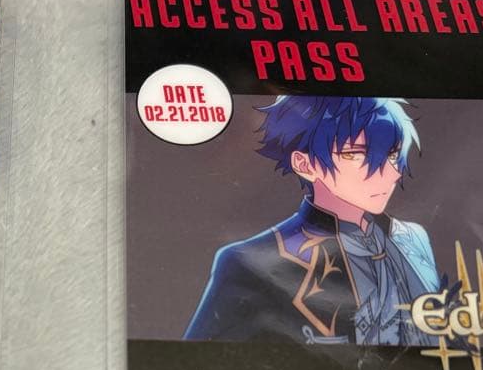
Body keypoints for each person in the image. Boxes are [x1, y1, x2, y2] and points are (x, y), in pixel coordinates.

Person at [184, 96, 439, 346]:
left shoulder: (412, 238)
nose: (390, 173)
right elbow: (193, 364)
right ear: (304, 164)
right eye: (357, 154)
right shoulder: (247, 264)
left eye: (392, 154)